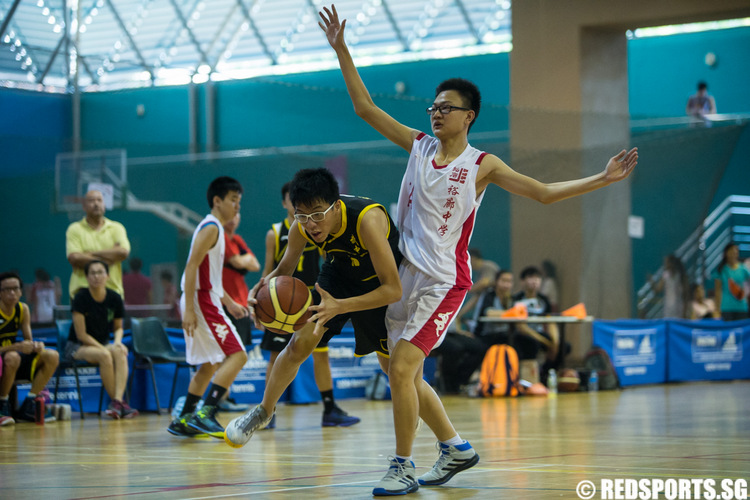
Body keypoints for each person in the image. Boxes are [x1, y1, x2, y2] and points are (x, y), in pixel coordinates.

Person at [318, 5, 638, 495]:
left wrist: (602, 177)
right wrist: (342, 48)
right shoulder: (418, 145)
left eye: (445, 106)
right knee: (398, 371)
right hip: (403, 275)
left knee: (403, 367)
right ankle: (455, 448)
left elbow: (544, 192)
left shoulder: (482, 165)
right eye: (433, 105)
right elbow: (364, 107)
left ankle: (402, 465)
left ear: (468, 115)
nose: (435, 111)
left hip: (445, 281)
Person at [224, 168, 402, 448]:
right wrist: (260, 291)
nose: (311, 224)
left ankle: (425, 416)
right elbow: (283, 272)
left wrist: (340, 306)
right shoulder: (301, 226)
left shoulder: (367, 220)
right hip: (337, 276)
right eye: (302, 216)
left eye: (318, 214)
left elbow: (393, 289)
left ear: (335, 205)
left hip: (378, 284)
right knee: (299, 344)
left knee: (392, 366)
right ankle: (263, 411)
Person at [258, 182, 360, 428]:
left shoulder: (318, 228)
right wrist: (262, 297)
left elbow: (330, 261)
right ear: (287, 204)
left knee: (320, 355)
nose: (301, 212)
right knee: (277, 356)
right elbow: (272, 268)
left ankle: (329, 407)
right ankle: (267, 411)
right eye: (296, 206)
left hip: (312, 298)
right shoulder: (275, 231)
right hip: (280, 301)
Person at [167, 176, 250, 438]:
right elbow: (191, 266)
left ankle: (183, 419)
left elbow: (208, 275)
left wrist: (229, 302)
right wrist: (190, 310)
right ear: (217, 201)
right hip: (201, 300)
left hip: (206, 297)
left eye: (239, 201)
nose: (237, 206)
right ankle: (207, 412)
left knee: (210, 364)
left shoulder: (215, 228)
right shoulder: (211, 227)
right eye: (233, 200)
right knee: (238, 355)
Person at [68, 260, 138, 419]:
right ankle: (119, 404)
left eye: (100, 272)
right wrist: (104, 348)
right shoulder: (80, 298)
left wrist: (118, 342)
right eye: (92, 273)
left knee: (119, 351)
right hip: (77, 346)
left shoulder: (114, 298)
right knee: (105, 355)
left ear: (107, 276)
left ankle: (117, 402)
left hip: (103, 344)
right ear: (86, 277)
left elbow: (118, 327)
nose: (96, 276)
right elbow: (82, 335)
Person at [0, 272, 59, 424]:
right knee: (12, 356)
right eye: (7, 289)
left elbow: (28, 341)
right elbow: (17, 347)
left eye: (15, 288)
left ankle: (29, 403)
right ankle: (3, 404)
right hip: (5, 360)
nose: (12, 292)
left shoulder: (23, 309)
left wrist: (36, 346)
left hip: (14, 359)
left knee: (52, 355)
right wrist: (17, 346)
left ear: (21, 291)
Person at [219, 212, 259, 412]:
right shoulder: (220, 237)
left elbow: (255, 264)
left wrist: (242, 259)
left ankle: (224, 395)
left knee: (238, 354)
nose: (234, 217)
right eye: (231, 212)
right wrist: (243, 259)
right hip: (226, 305)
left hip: (241, 304)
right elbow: (237, 262)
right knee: (229, 354)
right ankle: (220, 397)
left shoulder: (238, 240)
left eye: (237, 213)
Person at [66, 190, 130, 299]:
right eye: (91, 200)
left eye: (99, 200)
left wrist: (89, 254)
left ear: (104, 205)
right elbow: (75, 258)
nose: (96, 204)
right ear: (84, 207)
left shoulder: (117, 228)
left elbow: (122, 252)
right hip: (82, 292)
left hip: (113, 291)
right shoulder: (74, 229)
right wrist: (108, 259)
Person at [512, 266, 559, 384]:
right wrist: (544, 340)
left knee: (563, 347)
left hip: (539, 333)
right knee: (532, 343)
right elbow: (520, 327)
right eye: (531, 278)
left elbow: (550, 321)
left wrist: (555, 341)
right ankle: (528, 380)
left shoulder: (544, 300)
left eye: (537, 278)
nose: (534, 281)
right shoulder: (517, 299)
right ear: (522, 281)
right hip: (521, 333)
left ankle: (546, 374)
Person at [712, 243, 750, 321]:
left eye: (735, 252)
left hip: (741, 308)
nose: (733, 254)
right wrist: (717, 309)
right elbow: (718, 291)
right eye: (731, 251)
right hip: (726, 308)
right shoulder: (721, 270)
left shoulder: (743, 269)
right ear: (726, 253)